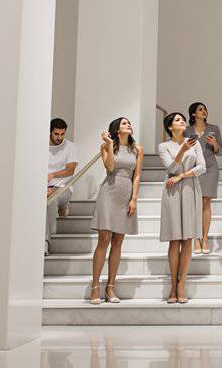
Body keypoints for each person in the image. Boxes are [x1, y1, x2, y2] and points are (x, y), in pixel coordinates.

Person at [88, 117, 142, 305]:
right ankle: (95, 285)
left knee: (118, 241)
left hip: (126, 193)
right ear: (117, 129)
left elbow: (137, 176)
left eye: (129, 123)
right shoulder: (106, 147)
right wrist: (110, 144)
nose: (129, 125)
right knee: (104, 239)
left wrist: (134, 198)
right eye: (125, 123)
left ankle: (111, 286)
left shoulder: (137, 149)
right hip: (109, 192)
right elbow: (110, 167)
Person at [157, 112, 205, 304]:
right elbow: (171, 169)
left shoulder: (194, 142)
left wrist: (183, 176)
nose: (182, 121)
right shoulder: (164, 146)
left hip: (191, 189)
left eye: (182, 119)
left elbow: (202, 167)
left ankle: (181, 284)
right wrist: (182, 151)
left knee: (187, 239)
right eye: (177, 120)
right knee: (174, 240)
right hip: (172, 192)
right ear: (170, 127)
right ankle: (172, 283)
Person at [184, 102, 222, 255]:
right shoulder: (186, 131)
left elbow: (219, 151)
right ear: (193, 114)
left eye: (205, 109)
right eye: (200, 109)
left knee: (206, 201)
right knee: (195, 203)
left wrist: (214, 144)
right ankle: (196, 238)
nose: (204, 111)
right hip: (193, 169)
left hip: (211, 168)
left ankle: (205, 239)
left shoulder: (214, 129)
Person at [45, 118, 78, 254]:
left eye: (62, 134)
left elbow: (70, 170)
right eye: (56, 134)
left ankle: (45, 242)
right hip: (42, 187)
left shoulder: (70, 147)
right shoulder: (40, 146)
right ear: (50, 132)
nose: (60, 137)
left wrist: (52, 175)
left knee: (50, 202)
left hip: (62, 187)